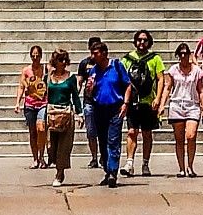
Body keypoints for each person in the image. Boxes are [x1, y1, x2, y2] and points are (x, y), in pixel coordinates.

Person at [84, 37, 131, 186]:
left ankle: (113, 171)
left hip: (115, 108)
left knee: (113, 140)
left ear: (104, 53)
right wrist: (89, 88)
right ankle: (107, 169)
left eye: (96, 53)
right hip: (99, 109)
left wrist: (125, 103)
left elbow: (128, 85)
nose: (93, 56)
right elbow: (89, 93)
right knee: (102, 141)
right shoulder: (93, 71)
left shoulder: (117, 66)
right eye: (92, 53)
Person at [159, 43, 203, 177]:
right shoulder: (173, 70)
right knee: (179, 139)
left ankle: (190, 166)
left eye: (185, 53)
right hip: (177, 105)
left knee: (191, 136)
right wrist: (163, 104)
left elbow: (201, 90)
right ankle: (181, 168)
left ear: (189, 54)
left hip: (192, 105)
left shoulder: (197, 71)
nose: (183, 56)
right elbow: (168, 87)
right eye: (180, 54)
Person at [120, 31, 163, 177]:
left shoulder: (155, 58)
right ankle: (130, 162)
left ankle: (145, 163)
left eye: (144, 40)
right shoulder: (127, 59)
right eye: (139, 40)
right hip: (132, 101)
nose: (141, 43)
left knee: (146, 133)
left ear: (149, 42)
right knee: (132, 131)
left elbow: (160, 78)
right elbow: (122, 78)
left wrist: (158, 98)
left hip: (148, 101)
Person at [43, 48, 81, 186]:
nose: (63, 62)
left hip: (65, 112)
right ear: (55, 61)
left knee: (64, 146)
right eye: (60, 59)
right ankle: (52, 161)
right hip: (51, 112)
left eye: (65, 59)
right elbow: (41, 94)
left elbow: (75, 96)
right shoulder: (48, 77)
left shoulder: (70, 78)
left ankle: (60, 173)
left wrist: (79, 113)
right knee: (51, 145)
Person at [18, 44, 49, 167]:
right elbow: (21, 86)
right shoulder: (26, 71)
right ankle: (35, 158)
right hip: (30, 103)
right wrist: (17, 103)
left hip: (42, 102)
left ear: (41, 56)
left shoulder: (46, 69)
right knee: (32, 132)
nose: (35, 57)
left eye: (37, 55)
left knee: (41, 129)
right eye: (33, 55)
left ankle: (42, 156)